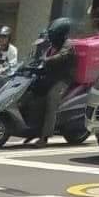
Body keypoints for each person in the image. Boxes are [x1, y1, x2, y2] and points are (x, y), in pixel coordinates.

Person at [28, 16, 75, 147]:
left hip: (62, 80)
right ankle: (34, 129)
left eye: (54, 34)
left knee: (51, 100)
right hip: (50, 77)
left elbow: (62, 56)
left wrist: (46, 60)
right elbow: (41, 56)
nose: (51, 37)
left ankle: (44, 137)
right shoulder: (52, 45)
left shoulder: (68, 44)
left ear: (61, 34)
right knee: (34, 94)